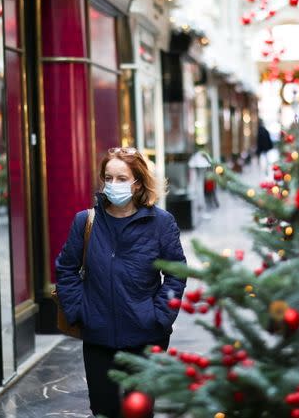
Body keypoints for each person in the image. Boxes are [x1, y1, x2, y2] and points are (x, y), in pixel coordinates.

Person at [55, 147, 187, 418]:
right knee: (104, 410)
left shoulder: (161, 223)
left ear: (138, 182)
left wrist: (160, 316)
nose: (113, 185)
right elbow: (66, 268)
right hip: (98, 338)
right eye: (108, 178)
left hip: (146, 337)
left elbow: (176, 273)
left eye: (122, 178)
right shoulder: (85, 221)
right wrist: (80, 311)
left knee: (138, 412)